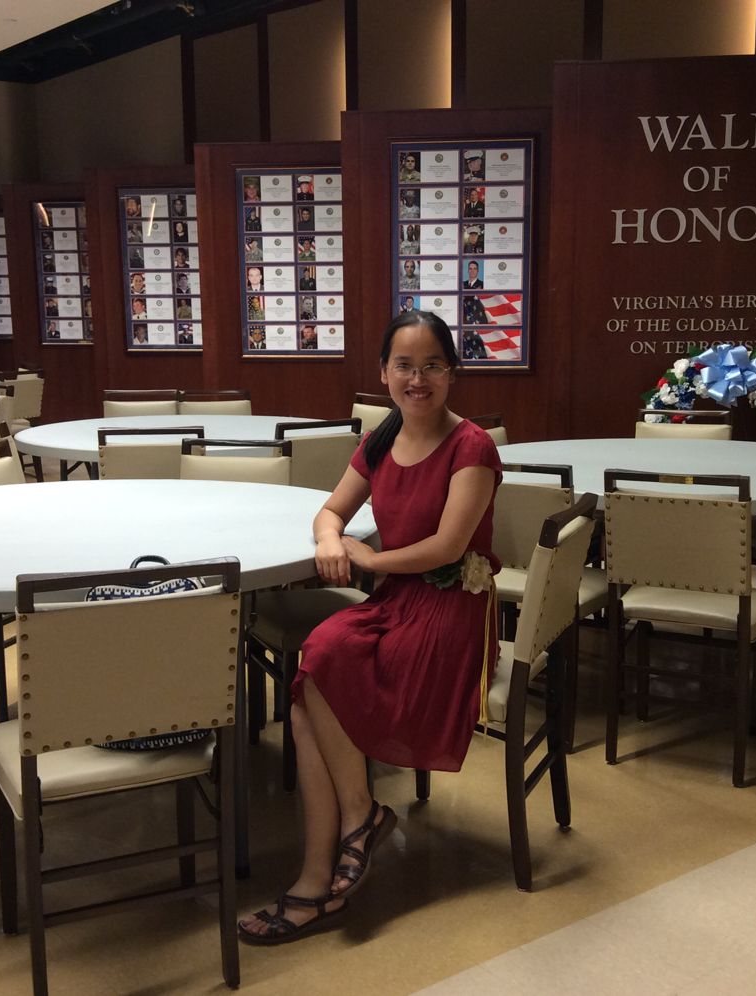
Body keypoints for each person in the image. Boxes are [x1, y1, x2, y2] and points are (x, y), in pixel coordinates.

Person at [238, 310, 501, 944]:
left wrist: (369, 560)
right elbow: (331, 510)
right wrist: (332, 539)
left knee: (315, 676)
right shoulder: (381, 440)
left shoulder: (472, 447)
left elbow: (447, 546)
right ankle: (342, 844)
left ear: (453, 373)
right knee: (311, 681)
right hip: (396, 601)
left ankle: (330, 865)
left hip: (451, 611)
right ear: (384, 372)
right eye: (404, 365)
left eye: (432, 365)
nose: (417, 379)